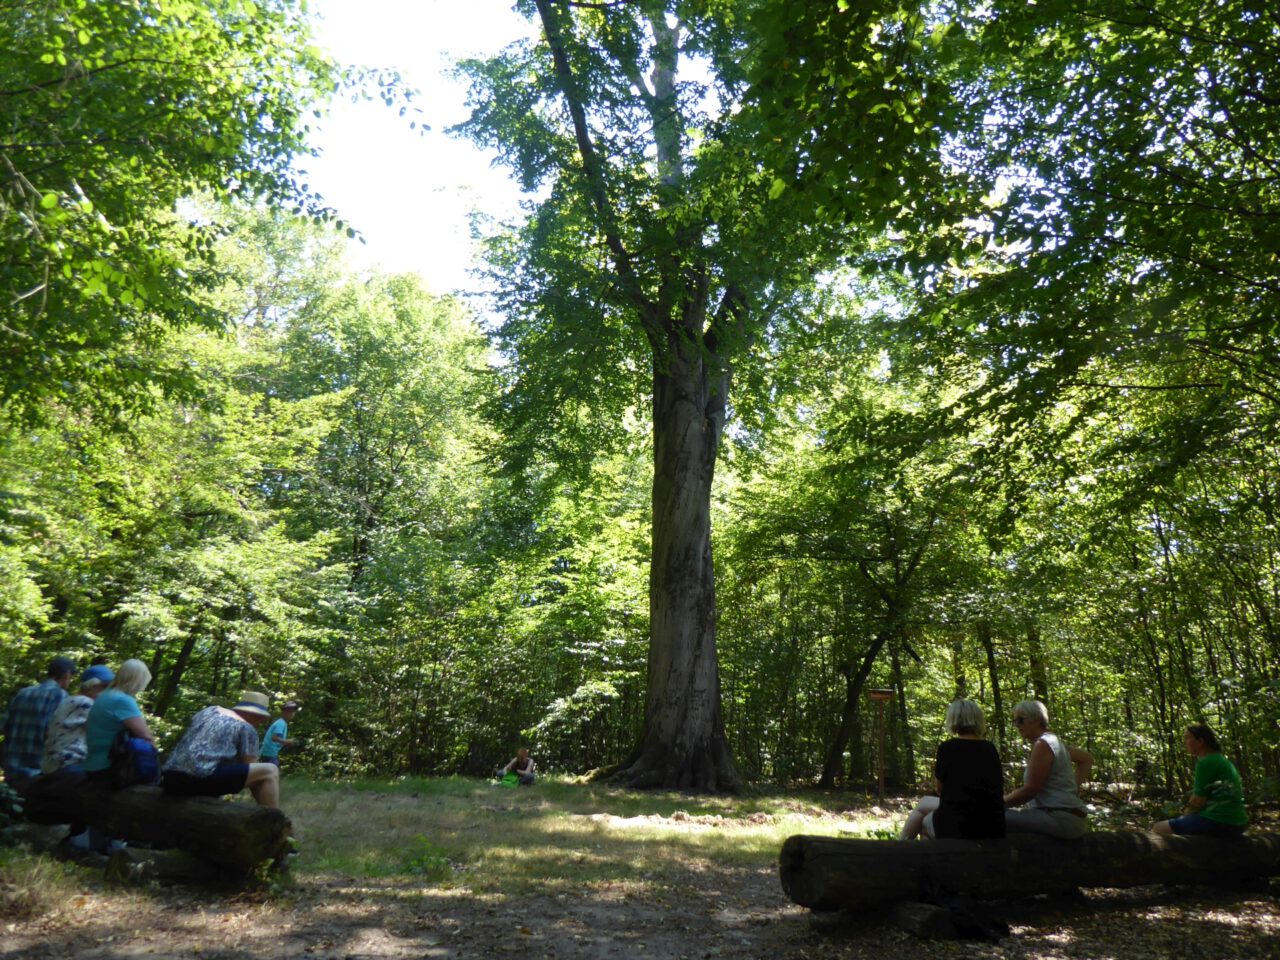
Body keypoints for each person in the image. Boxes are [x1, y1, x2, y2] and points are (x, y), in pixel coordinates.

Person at [901, 699, 1005, 840]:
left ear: (953, 720)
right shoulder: (990, 749)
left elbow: (939, 789)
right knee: (925, 802)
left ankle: (902, 848)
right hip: (991, 825)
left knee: (925, 820)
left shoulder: (947, 748)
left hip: (957, 824)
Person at [161, 691, 280, 808]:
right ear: (253, 714)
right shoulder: (247, 728)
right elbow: (254, 771)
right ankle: (275, 822)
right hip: (197, 780)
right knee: (270, 771)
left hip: (170, 778)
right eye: (261, 718)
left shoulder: (209, 711)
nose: (261, 722)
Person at [1003, 699, 1092, 839]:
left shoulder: (1043, 744)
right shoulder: (1055, 742)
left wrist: (996, 804)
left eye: (1020, 720)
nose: (1017, 725)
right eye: (1014, 721)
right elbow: (1087, 759)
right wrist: (1072, 789)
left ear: (1037, 719)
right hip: (1068, 817)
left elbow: (1030, 791)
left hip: (1060, 819)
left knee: (989, 817)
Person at [1153, 724, 1246, 838]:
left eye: (1188, 738)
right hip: (1238, 823)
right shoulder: (1221, 759)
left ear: (1200, 741)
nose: (1185, 742)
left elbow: (1198, 801)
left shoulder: (1206, 762)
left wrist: (1185, 815)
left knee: (1157, 828)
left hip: (1218, 821)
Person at [2, 656, 75, 781]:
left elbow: (3, 726)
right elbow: (57, 735)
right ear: (66, 674)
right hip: (38, 771)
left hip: (11, 768)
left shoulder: (23, 693)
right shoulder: (61, 696)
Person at [84, 659, 156, 785]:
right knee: (146, 751)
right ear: (137, 681)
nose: (141, 689)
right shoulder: (123, 700)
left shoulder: (105, 695)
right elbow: (145, 737)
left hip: (92, 766)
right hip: (110, 769)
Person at [42, 664, 114, 774]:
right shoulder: (84, 703)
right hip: (68, 763)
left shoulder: (71, 700)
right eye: (105, 687)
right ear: (92, 686)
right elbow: (106, 731)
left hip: (55, 763)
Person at [259, 701, 299, 768]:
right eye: (289, 711)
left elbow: (277, 739)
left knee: (269, 774)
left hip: (269, 753)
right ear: (283, 712)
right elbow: (274, 738)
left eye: (293, 712)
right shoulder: (281, 723)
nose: (291, 713)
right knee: (272, 773)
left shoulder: (282, 723)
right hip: (269, 753)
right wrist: (287, 741)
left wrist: (287, 743)